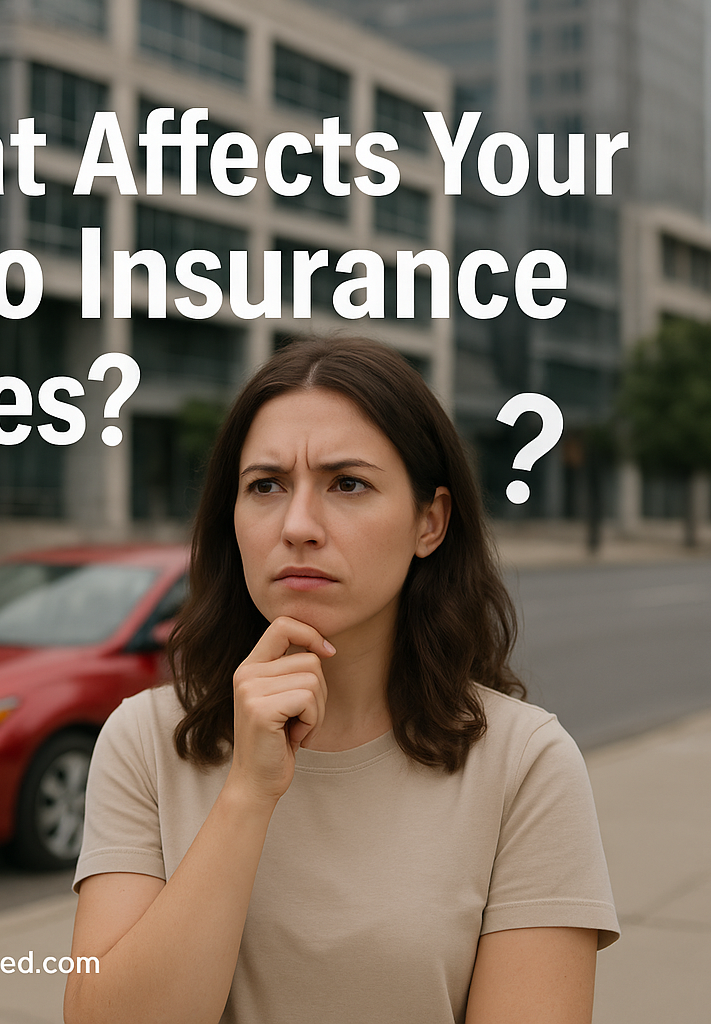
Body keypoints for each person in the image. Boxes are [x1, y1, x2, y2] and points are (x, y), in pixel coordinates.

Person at [64, 337, 619, 1024]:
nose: (297, 526)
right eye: (265, 486)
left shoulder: (524, 764)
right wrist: (246, 795)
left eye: (347, 484)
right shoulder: (146, 740)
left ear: (430, 521)